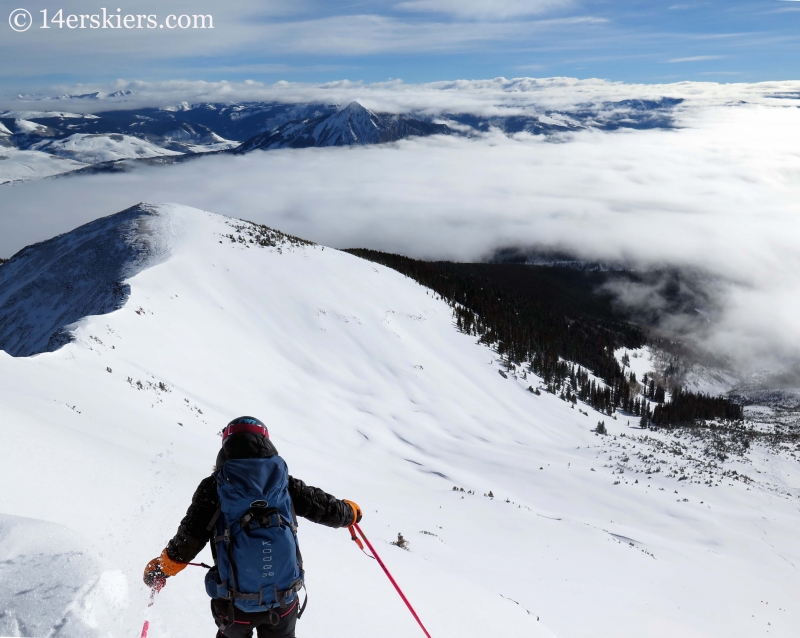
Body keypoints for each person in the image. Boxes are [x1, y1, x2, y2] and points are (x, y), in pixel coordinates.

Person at [143, 416, 362, 638]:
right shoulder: (284, 483)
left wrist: (163, 569)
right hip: (283, 602)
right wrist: (350, 513)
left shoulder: (214, 487)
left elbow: (190, 538)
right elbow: (323, 507)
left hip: (234, 607)